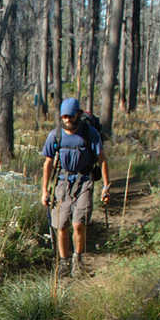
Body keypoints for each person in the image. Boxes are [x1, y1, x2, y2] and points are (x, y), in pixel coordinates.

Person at [40, 97, 111, 278]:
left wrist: (105, 186)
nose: (67, 120)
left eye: (70, 116)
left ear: (78, 114)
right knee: (61, 225)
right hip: (62, 183)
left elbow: (102, 159)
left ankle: (77, 262)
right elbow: (47, 164)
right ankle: (64, 263)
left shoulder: (90, 133)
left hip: (85, 181)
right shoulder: (55, 135)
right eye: (64, 116)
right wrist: (45, 190)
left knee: (78, 223)